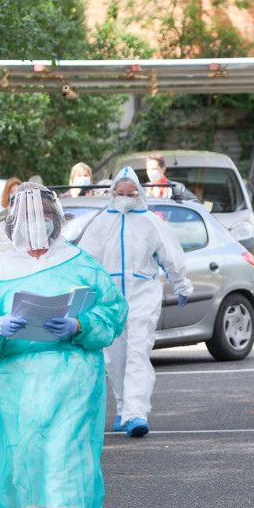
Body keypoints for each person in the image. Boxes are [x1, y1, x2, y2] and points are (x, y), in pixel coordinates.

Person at [0, 183, 126, 508]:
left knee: (69, 462)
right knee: (31, 466)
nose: (37, 227)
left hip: (74, 382)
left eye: (46, 217)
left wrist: (80, 324)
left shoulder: (82, 265)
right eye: (28, 220)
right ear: (12, 225)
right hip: (19, 389)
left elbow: (113, 311)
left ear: (57, 221)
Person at [80, 167, 193, 437]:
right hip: (109, 300)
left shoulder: (150, 222)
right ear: (112, 193)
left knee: (138, 352)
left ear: (138, 194)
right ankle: (122, 408)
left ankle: (136, 414)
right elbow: (84, 262)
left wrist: (182, 284)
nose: (125, 197)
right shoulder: (100, 223)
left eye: (130, 193)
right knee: (114, 356)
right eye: (120, 193)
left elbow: (170, 255)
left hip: (143, 294)